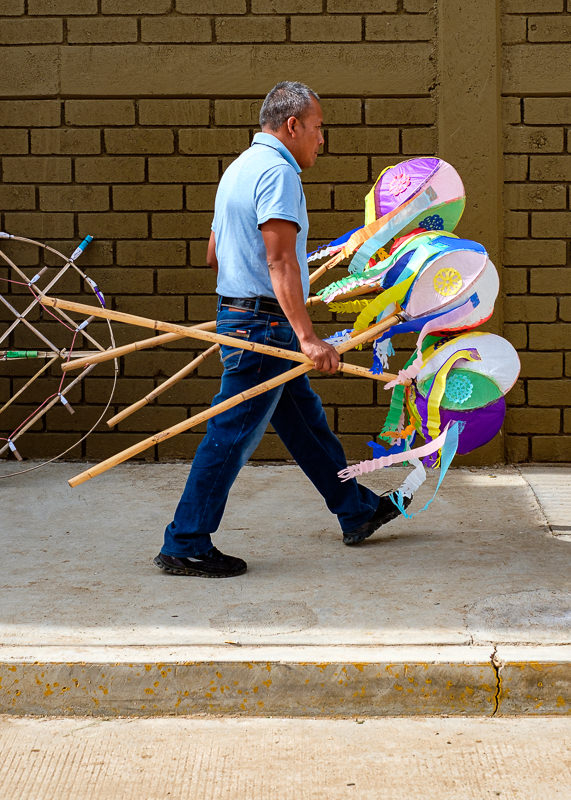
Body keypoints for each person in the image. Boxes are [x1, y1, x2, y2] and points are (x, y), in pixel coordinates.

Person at [154, 81, 407, 579]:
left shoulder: (239, 169)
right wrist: (309, 337)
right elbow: (280, 260)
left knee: (304, 424)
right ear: (292, 125)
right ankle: (185, 542)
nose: (321, 140)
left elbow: (214, 256)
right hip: (264, 324)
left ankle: (354, 510)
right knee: (230, 435)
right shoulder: (278, 172)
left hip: (245, 315)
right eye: (317, 128)